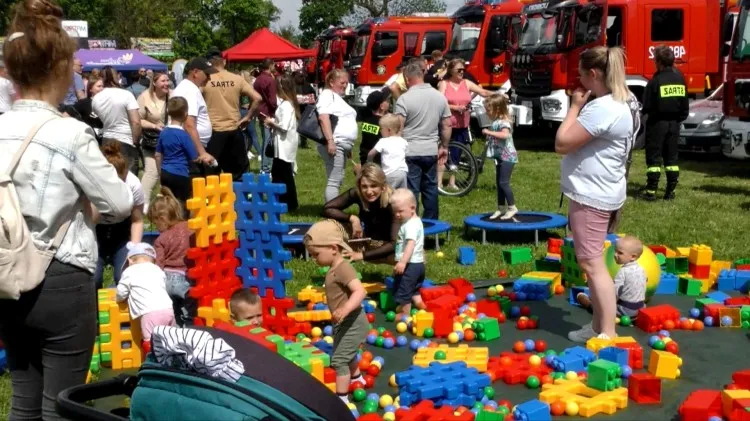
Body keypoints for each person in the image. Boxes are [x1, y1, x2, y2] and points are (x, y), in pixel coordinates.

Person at [0, 0, 132, 417]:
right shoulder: (70, 133)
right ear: (60, 68)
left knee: (23, 397)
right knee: (64, 402)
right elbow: (120, 202)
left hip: (8, 272)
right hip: (62, 273)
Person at [555, 46, 633, 342]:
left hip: (593, 194)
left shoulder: (602, 107)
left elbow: (562, 142)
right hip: (604, 189)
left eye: (580, 74)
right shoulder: (619, 101)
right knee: (592, 261)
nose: (578, 80)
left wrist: (574, 106)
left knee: (592, 263)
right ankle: (599, 325)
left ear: (592, 74)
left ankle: (607, 331)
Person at [303, 219, 368, 404]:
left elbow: (360, 291)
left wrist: (345, 309)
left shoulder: (344, 268)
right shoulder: (333, 267)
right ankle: (357, 379)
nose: (314, 259)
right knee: (345, 353)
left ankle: (341, 399)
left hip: (353, 322)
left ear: (333, 248)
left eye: (316, 254)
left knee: (338, 361)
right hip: (343, 322)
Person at [394, 62, 452, 220]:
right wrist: (444, 147)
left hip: (410, 150)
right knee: (431, 189)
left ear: (407, 78)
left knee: (412, 192)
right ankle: (432, 225)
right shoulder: (439, 97)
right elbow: (447, 124)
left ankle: (412, 225)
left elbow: (398, 127)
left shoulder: (404, 99)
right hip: (430, 149)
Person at [322, 163, 399, 264]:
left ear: (383, 186)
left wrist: (362, 256)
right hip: (363, 241)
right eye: (364, 186)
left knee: (409, 256)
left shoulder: (394, 202)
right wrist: (352, 218)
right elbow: (327, 208)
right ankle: (337, 271)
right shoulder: (357, 193)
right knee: (328, 226)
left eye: (373, 186)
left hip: (388, 249)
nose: (369, 191)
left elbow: (394, 244)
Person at [203, 48, 261, 180]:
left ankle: (215, 198)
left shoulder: (205, 80)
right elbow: (258, 98)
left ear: (209, 63)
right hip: (234, 129)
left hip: (214, 131)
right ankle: (241, 198)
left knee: (212, 173)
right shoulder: (236, 79)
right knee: (239, 172)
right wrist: (248, 117)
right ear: (224, 62)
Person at [641, 45, 689, 201]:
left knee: (654, 159)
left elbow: (646, 105)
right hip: (674, 124)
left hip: (657, 124)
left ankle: (651, 191)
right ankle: (670, 191)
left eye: (655, 60)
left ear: (659, 62)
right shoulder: (680, 78)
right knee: (672, 159)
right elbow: (685, 106)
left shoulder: (656, 80)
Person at [96, 142, 146, 287]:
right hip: (95, 232)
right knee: (94, 278)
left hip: (122, 232)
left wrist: (134, 249)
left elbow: (137, 221)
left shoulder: (133, 184)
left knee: (124, 276)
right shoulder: (91, 183)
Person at [438, 59, 491, 191]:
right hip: (447, 124)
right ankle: (438, 182)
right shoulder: (444, 84)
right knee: (443, 152)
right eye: (459, 70)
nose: (462, 72)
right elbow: (439, 102)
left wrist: (499, 96)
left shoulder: (466, 83)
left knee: (457, 152)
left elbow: (483, 92)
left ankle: (452, 181)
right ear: (451, 71)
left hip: (462, 124)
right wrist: (455, 107)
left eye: (463, 70)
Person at [149, 187, 193, 326]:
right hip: (186, 278)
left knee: (172, 312)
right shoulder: (191, 228)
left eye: (155, 224)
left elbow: (158, 265)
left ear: (162, 219)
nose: (156, 228)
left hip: (167, 280)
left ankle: (173, 335)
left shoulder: (161, 239)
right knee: (189, 311)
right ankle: (190, 333)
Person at [115, 242, 176, 342]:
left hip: (150, 314)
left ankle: (151, 357)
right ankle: (174, 357)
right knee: (170, 340)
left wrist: (118, 299)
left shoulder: (130, 271)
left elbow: (121, 292)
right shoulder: (158, 270)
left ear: (130, 260)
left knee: (151, 343)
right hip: (168, 310)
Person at [576, 236, 647, 319]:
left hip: (626, 309)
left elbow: (614, 293)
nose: (615, 255)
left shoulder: (623, 272)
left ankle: (588, 303)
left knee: (600, 309)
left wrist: (604, 303)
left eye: (620, 253)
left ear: (633, 257)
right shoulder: (642, 269)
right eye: (615, 251)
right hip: (641, 308)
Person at [317, 69, 359, 202]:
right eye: (342, 82)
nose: (345, 85)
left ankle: (332, 207)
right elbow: (323, 117)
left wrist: (348, 147)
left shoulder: (336, 97)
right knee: (334, 179)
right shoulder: (327, 94)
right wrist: (330, 141)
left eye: (347, 83)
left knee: (338, 177)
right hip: (335, 143)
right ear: (331, 82)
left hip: (341, 144)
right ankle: (332, 211)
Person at [93, 66, 143, 174]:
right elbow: (136, 122)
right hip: (126, 140)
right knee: (128, 177)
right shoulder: (126, 95)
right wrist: (136, 141)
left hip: (107, 139)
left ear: (101, 78)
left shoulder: (96, 99)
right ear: (118, 76)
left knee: (110, 176)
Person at [172, 57, 217, 173]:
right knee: (196, 185)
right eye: (207, 74)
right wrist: (202, 153)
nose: (209, 78)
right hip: (192, 147)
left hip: (192, 145)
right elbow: (189, 124)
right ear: (195, 72)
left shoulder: (190, 88)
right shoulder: (189, 90)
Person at [263, 73, 300, 211]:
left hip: (284, 145)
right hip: (285, 144)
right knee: (280, 174)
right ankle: (281, 201)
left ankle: (289, 203)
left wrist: (271, 122)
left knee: (284, 175)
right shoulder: (289, 104)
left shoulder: (285, 105)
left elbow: (283, 127)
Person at [156, 97, 199, 211]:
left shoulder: (163, 132)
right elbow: (194, 157)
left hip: (165, 172)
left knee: (168, 204)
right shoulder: (183, 135)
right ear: (185, 114)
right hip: (180, 174)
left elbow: (158, 155)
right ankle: (181, 226)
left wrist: (160, 172)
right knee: (182, 204)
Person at [137, 71, 171, 213]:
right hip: (152, 140)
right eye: (163, 81)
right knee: (151, 172)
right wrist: (153, 126)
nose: (166, 84)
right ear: (155, 83)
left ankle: (168, 204)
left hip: (170, 140)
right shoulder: (144, 97)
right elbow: (138, 119)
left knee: (168, 173)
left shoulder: (173, 95)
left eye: (167, 80)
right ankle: (143, 205)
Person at [390, 189, 426, 318]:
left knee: (404, 288)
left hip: (410, 264)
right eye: (395, 212)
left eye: (400, 211)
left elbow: (411, 244)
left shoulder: (409, 225)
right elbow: (419, 244)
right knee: (414, 288)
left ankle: (404, 313)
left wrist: (402, 262)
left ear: (412, 208)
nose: (397, 215)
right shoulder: (417, 222)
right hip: (419, 264)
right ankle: (419, 302)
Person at [482, 94, 519, 220]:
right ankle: (501, 207)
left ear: (497, 110)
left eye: (488, 111)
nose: (487, 113)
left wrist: (489, 132)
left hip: (507, 157)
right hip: (500, 157)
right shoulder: (496, 122)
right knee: (499, 183)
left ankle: (512, 207)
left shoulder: (504, 122)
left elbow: (505, 135)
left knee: (504, 182)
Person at [369, 113, 408, 189]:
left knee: (388, 194)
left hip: (390, 173)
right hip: (402, 172)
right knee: (401, 194)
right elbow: (406, 154)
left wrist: (369, 161)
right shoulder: (403, 141)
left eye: (381, 129)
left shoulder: (383, 141)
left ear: (389, 130)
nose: (380, 131)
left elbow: (371, 153)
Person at [254, 58, 278, 174]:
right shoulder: (270, 80)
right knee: (269, 142)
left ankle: (264, 167)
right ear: (270, 65)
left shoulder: (257, 80)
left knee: (265, 140)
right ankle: (266, 168)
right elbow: (273, 101)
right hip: (269, 113)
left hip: (260, 112)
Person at [357, 89, 390, 167]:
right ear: (381, 106)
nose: (388, 102)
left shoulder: (367, 121)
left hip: (366, 160)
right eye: (386, 100)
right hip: (378, 163)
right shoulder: (383, 123)